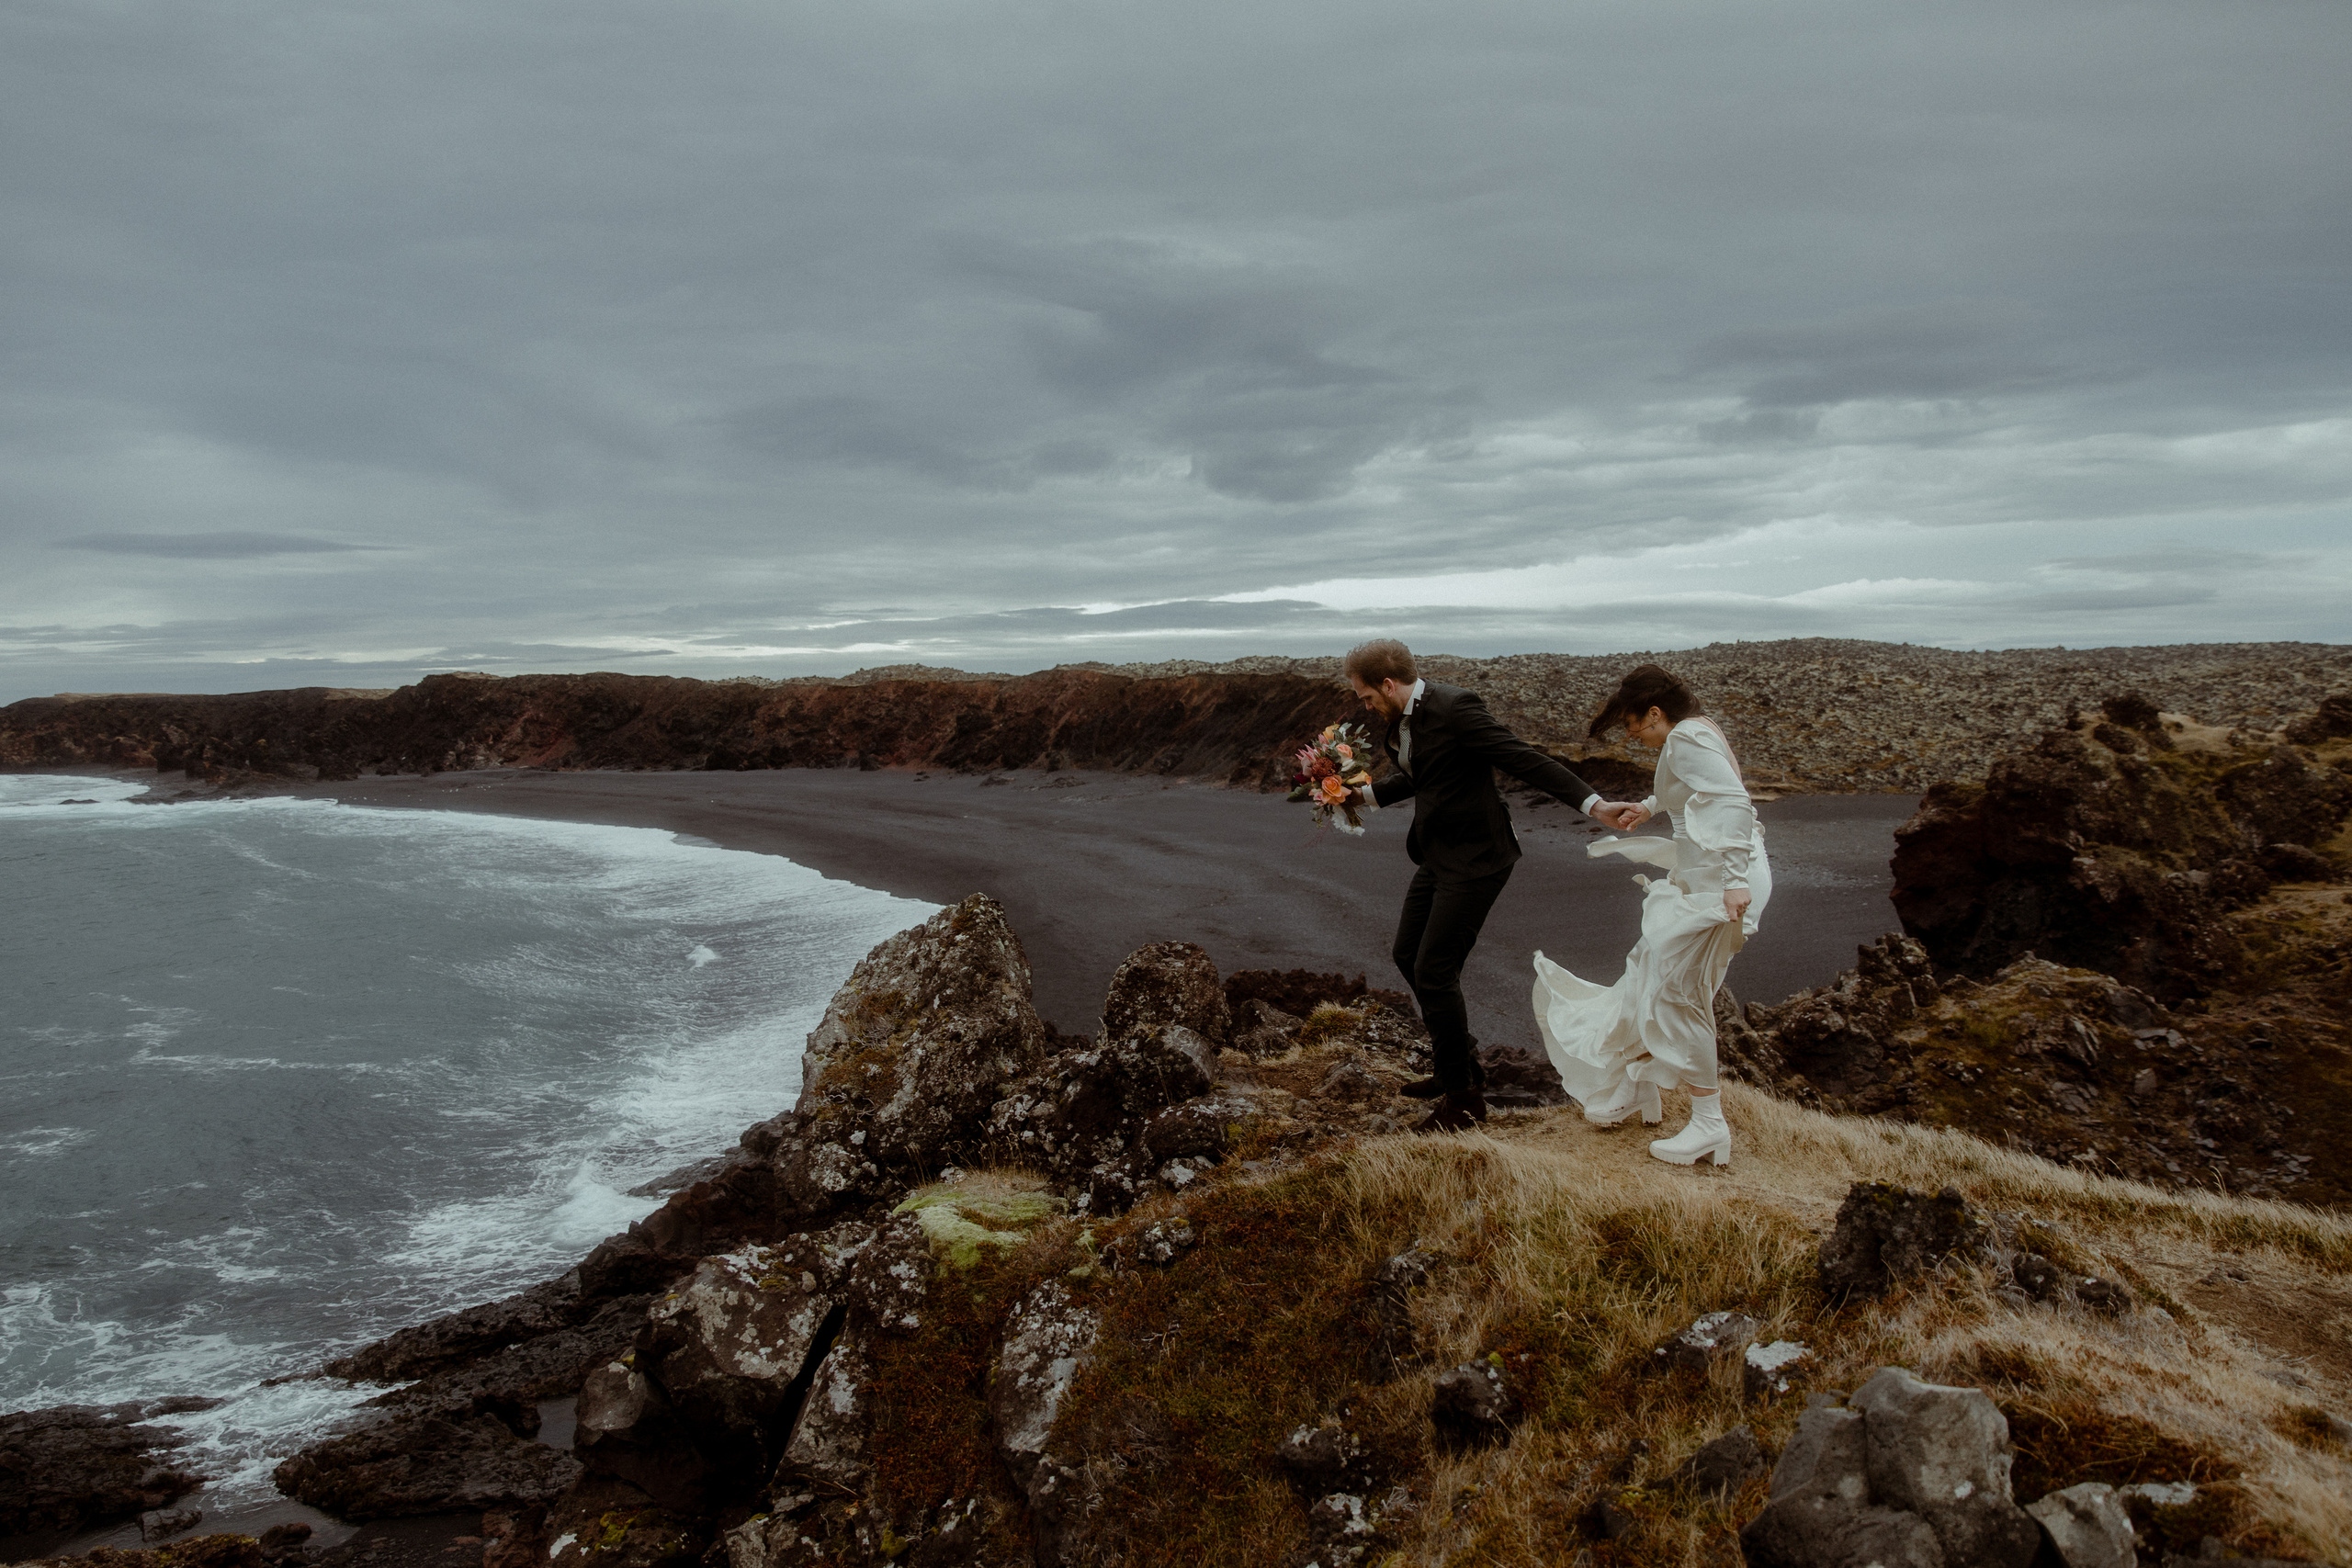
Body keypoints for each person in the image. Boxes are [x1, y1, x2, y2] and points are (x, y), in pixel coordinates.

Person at [1339, 639, 1641, 1133]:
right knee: (1406, 954)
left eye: (1367, 697)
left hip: (1478, 859)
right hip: (1438, 853)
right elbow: (1421, 775)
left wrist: (1595, 805)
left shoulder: (1457, 709)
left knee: (1435, 971)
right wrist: (1359, 797)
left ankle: (1463, 1101)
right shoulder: (1404, 717)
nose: (1365, 705)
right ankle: (1459, 1060)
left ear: (1388, 685)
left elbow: (1524, 758)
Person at [1531, 664, 1770, 1167]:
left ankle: (1708, 1125)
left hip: (1721, 880)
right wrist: (1647, 806)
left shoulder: (1684, 738)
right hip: (1702, 875)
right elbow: (1688, 791)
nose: (1632, 735)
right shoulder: (1694, 732)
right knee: (1652, 976)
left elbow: (1732, 802)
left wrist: (1733, 881)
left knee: (1679, 995)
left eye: (1633, 725)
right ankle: (1640, 1086)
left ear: (1656, 713)